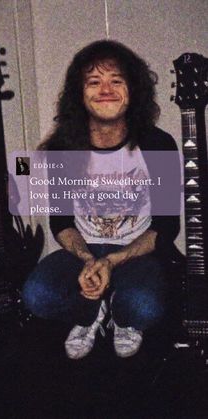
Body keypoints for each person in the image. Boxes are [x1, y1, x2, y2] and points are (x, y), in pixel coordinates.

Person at [22, 40, 180, 359]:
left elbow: (166, 226)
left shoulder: (157, 143)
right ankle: (89, 313)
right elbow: (62, 222)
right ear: (79, 95)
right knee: (36, 296)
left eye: (116, 81)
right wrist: (88, 260)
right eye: (94, 82)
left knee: (143, 307)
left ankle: (122, 317)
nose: (105, 89)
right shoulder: (63, 148)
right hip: (84, 247)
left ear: (132, 91)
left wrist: (110, 261)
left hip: (136, 252)